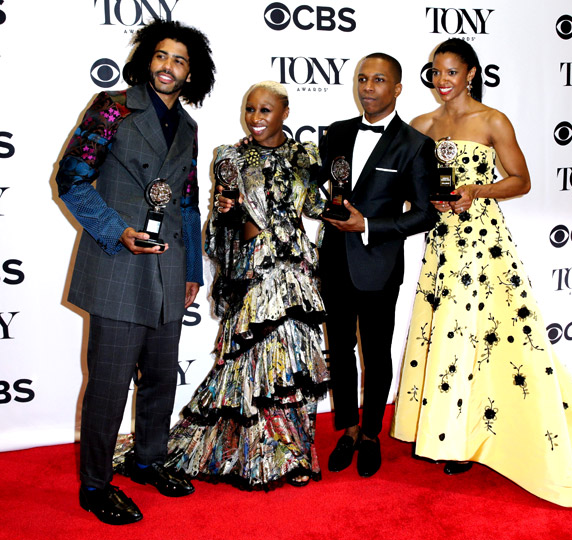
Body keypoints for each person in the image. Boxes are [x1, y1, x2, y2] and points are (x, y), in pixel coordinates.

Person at [391, 38, 572, 508]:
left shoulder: (492, 120)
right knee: (450, 331)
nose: (443, 81)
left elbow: (521, 181)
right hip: (441, 244)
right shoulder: (419, 126)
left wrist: (476, 190)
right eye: (436, 72)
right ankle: (451, 432)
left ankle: (474, 436)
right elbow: (405, 187)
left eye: (452, 72)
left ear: (472, 73)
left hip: (483, 243)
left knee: (494, 333)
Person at [56, 20, 215, 524]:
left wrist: (192, 268)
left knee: (162, 378)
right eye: (162, 56)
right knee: (108, 381)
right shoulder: (113, 107)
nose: (169, 66)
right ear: (148, 59)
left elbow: (187, 203)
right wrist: (116, 229)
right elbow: (71, 179)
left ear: (192, 74)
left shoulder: (188, 127)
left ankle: (147, 460)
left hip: (168, 266)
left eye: (180, 60)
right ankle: (95, 485)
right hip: (118, 261)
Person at [164, 81, 329, 489]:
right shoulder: (230, 158)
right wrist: (229, 214)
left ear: (285, 113)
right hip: (254, 271)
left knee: (292, 366)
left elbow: (317, 207)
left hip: (295, 273)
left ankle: (293, 455)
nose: (256, 118)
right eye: (250, 109)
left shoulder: (303, 157)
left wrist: (344, 206)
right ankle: (255, 456)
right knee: (251, 363)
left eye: (265, 110)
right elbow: (219, 229)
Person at [318, 53, 438, 478]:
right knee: (340, 352)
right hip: (333, 261)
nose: (368, 87)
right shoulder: (334, 133)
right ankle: (347, 429)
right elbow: (321, 188)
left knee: (376, 353)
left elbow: (425, 213)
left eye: (379, 80)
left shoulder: (415, 145)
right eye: (363, 79)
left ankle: (371, 435)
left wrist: (368, 224)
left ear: (397, 88)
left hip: (379, 264)